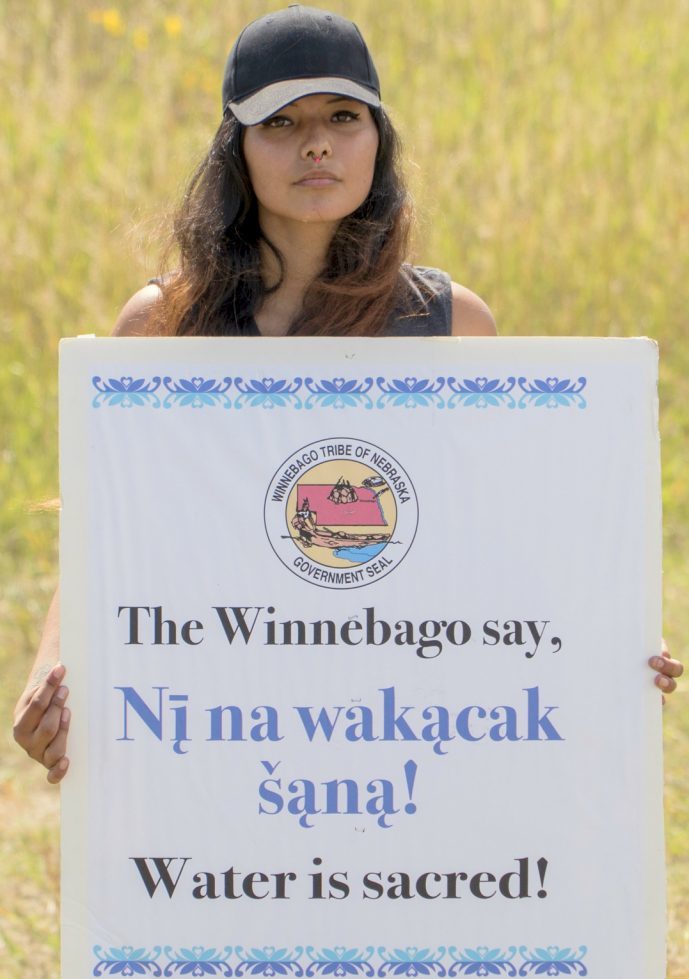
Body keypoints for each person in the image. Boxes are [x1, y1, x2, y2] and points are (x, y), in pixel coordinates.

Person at [12, 5, 682, 783]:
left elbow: (504, 531)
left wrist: (614, 640)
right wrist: (51, 664)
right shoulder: (165, 323)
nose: (316, 142)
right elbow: (105, 529)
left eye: (341, 115)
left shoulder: (450, 323)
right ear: (238, 150)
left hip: (400, 709)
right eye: (281, 122)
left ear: (377, 139)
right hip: (220, 710)